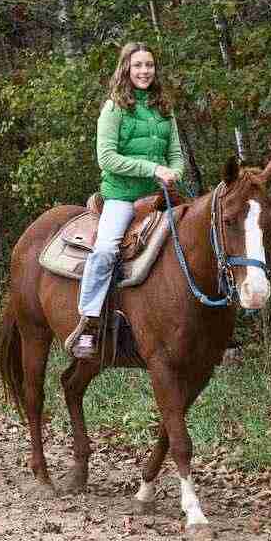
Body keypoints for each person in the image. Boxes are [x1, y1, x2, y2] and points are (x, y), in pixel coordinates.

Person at [65, 43, 187, 359]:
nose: (144, 71)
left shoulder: (164, 108)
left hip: (160, 195)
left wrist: (174, 171)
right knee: (105, 250)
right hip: (122, 197)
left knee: (203, 236)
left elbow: (175, 152)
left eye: (149, 65)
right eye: (138, 66)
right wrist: (152, 168)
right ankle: (88, 324)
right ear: (126, 69)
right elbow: (106, 158)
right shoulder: (114, 108)